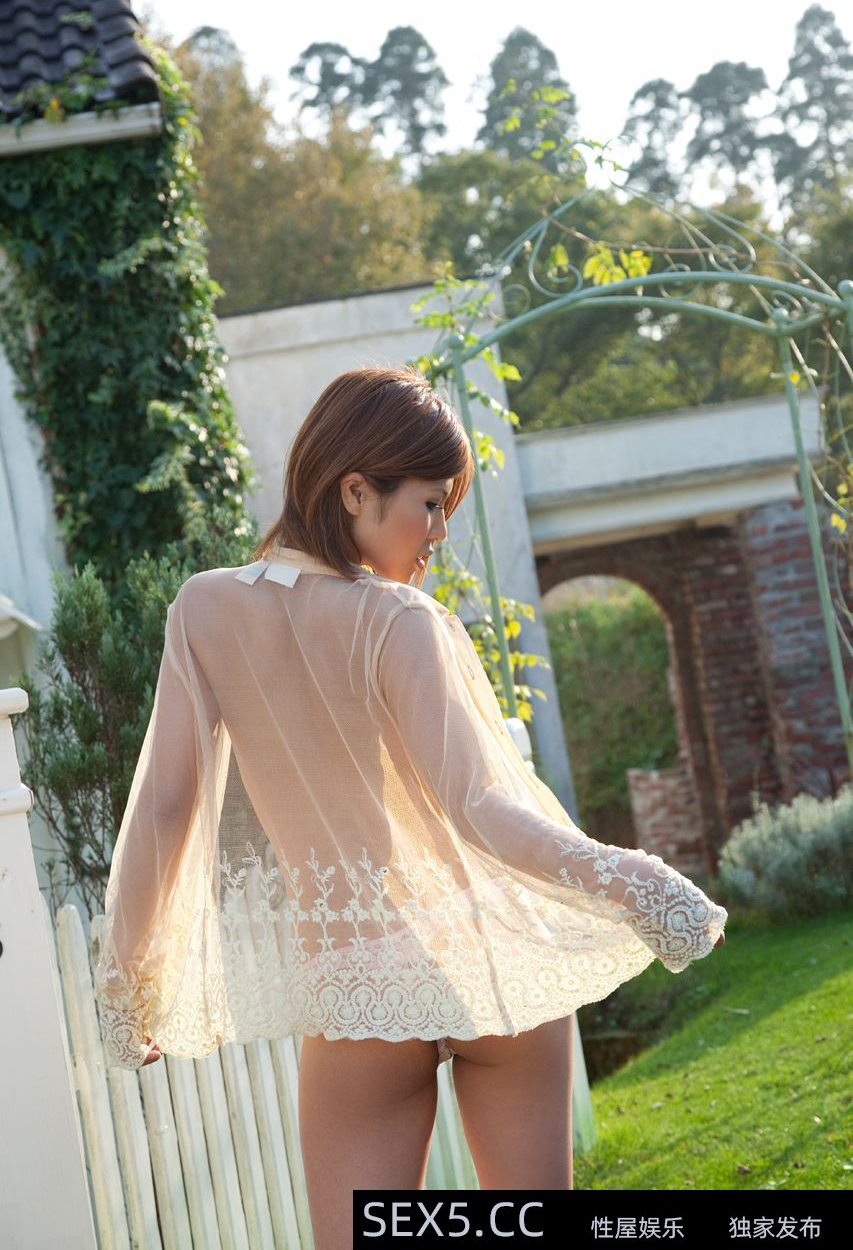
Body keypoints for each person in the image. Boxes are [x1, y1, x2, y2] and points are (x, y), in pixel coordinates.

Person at [93, 365, 726, 1233]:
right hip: (483, 961)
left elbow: (166, 810)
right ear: (355, 490)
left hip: (357, 986)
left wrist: (128, 984)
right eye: (429, 504)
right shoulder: (399, 620)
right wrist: (638, 883)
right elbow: (478, 808)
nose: (438, 532)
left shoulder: (204, 609)